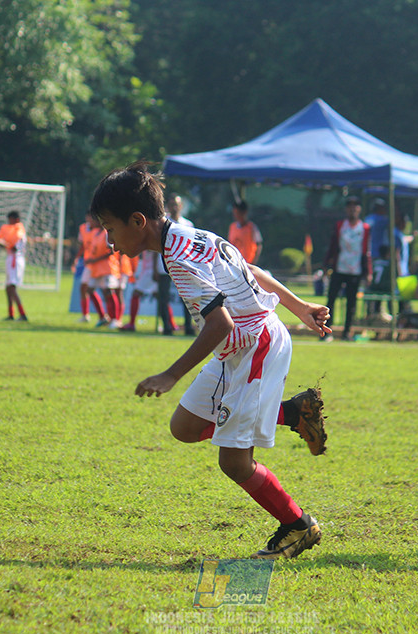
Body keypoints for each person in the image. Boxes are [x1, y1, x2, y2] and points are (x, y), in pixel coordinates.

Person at [90, 161, 330, 559]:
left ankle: (297, 524)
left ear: (137, 221)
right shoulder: (191, 235)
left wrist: (171, 375)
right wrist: (300, 306)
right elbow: (250, 271)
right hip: (237, 347)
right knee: (185, 427)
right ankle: (293, 412)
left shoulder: (178, 257)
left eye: (110, 228)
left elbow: (220, 322)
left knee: (234, 462)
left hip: (256, 346)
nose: (110, 241)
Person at [323, 195, 371, 341]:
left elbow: (366, 251)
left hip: (355, 271)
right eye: (350, 207)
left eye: (355, 207)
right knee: (331, 300)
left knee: (351, 304)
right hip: (339, 268)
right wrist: (326, 264)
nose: (352, 210)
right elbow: (333, 246)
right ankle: (326, 332)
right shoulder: (340, 226)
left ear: (359, 209)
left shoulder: (364, 228)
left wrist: (368, 271)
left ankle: (347, 332)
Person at [163, 193, 195, 335]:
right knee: (164, 298)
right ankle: (167, 327)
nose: (174, 207)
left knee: (186, 297)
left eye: (176, 204)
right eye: (171, 205)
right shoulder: (164, 223)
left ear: (180, 206)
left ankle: (188, 326)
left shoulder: (188, 225)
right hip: (165, 265)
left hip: (183, 265)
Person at [76, 214, 109, 324]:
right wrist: (78, 257)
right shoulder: (88, 230)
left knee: (107, 291)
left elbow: (110, 251)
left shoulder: (103, 233)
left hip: (102, 266)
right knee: (86, 288)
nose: (89, 221)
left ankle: (112, 318)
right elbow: (85, 246)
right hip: (91, 264)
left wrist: (94, 260)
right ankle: (92, 315)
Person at [0, 210, 28, 321]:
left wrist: (5, 243)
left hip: (15, 261)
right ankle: (11, 314)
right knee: (8, 288)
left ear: (16, 220)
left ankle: (22, 314)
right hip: (10, 259)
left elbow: (14, 247)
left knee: (12, 288)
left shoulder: (19, 232)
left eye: (11, 219)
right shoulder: (10, 231)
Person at [228, 200, 263, 265]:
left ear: (244, 212)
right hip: (235, 264)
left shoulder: (252, 227)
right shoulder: (232, 227)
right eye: (234, 213)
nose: (235, 215)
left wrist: (253, 262)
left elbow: (259, 245)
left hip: (248, 264)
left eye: (238, 212)